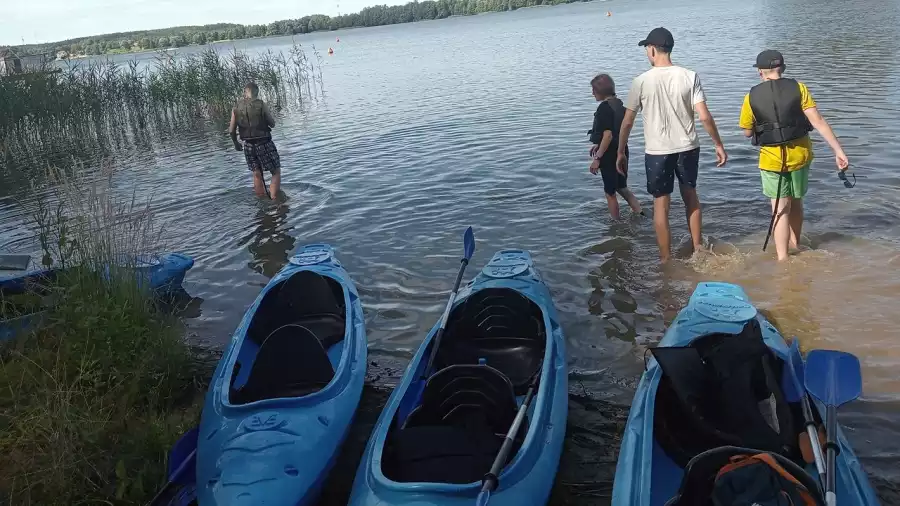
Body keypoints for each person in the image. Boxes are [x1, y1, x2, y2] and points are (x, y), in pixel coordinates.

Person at [616, 27, 728, 262]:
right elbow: (705, 117)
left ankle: (666, 260)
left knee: (661, 205)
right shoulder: (690, 76)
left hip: (657, 151)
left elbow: (627, 122)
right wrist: (718, 144)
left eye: (647, 48)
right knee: (691, 197)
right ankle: (699, 250)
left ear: (653, 49)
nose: (647, 52)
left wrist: (620, 152)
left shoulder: (640, 81)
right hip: (688, 147)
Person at [739, 50, 849, 261]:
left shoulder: (751, 96)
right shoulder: (799, 88)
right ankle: (795, 243)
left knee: (780, 208)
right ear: (783, 68)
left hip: (771, 160)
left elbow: (746, 132)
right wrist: (838, 150)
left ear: (760, 72)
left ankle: (783, 258)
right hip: (800, 156)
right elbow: (817, 120)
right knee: (796, 202)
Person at [588, 74, 643, 219]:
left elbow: (608, 135)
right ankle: (640, 213)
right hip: (622, 151)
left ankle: (615, 225)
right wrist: (598, 145)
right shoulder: (620, 106)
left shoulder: (603, 109)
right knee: (621, 187)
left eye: (593, 89)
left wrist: (597, 158)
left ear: (600, 90)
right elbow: (617, 131)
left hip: (609, 155)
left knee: (610, 193)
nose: (592, 93)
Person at [229, 82, 281, 199]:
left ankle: (262, 201)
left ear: (245, 92)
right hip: (264, 143)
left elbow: (231, 130)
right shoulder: (261, 104)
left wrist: (236, 143)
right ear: (256, 93)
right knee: (275, 171)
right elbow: (272, 124)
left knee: (256, 173)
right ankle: (275, 200)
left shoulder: (236, 107)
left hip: (248, 145)